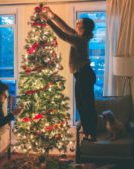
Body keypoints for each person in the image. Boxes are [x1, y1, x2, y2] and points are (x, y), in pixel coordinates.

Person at [41, 8, 97, 142]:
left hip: (85, 75)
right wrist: (51, 14)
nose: (76, 24)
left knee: (86, 105)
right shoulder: (79, 36)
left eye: (79, 23)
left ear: (83, 28)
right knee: (81, 104)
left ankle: (91, 133)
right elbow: (64, 27)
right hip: (82, 74)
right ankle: (89, 132)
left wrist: (47, 21)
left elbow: (62, 35)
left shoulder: (80, 40)